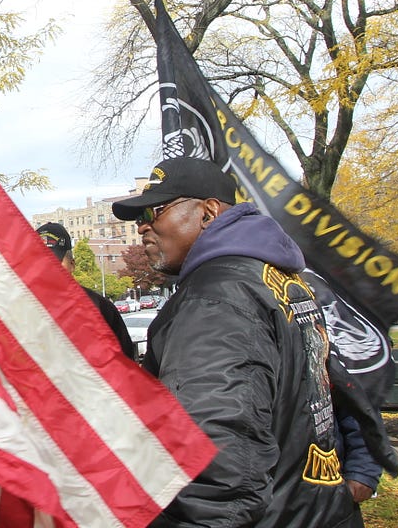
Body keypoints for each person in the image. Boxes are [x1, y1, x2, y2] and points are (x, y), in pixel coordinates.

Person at [111, 157, 354, 527]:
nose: (143, 227)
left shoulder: (215, 297)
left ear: (208, 212)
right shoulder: (282, 278)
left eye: (154, 211)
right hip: (318, 508)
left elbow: (215, 459)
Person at [36, 222, 135, 359]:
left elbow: (126, 364)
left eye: (55, 261)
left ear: (72, 264)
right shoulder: (21, 309)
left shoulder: (100, 308)